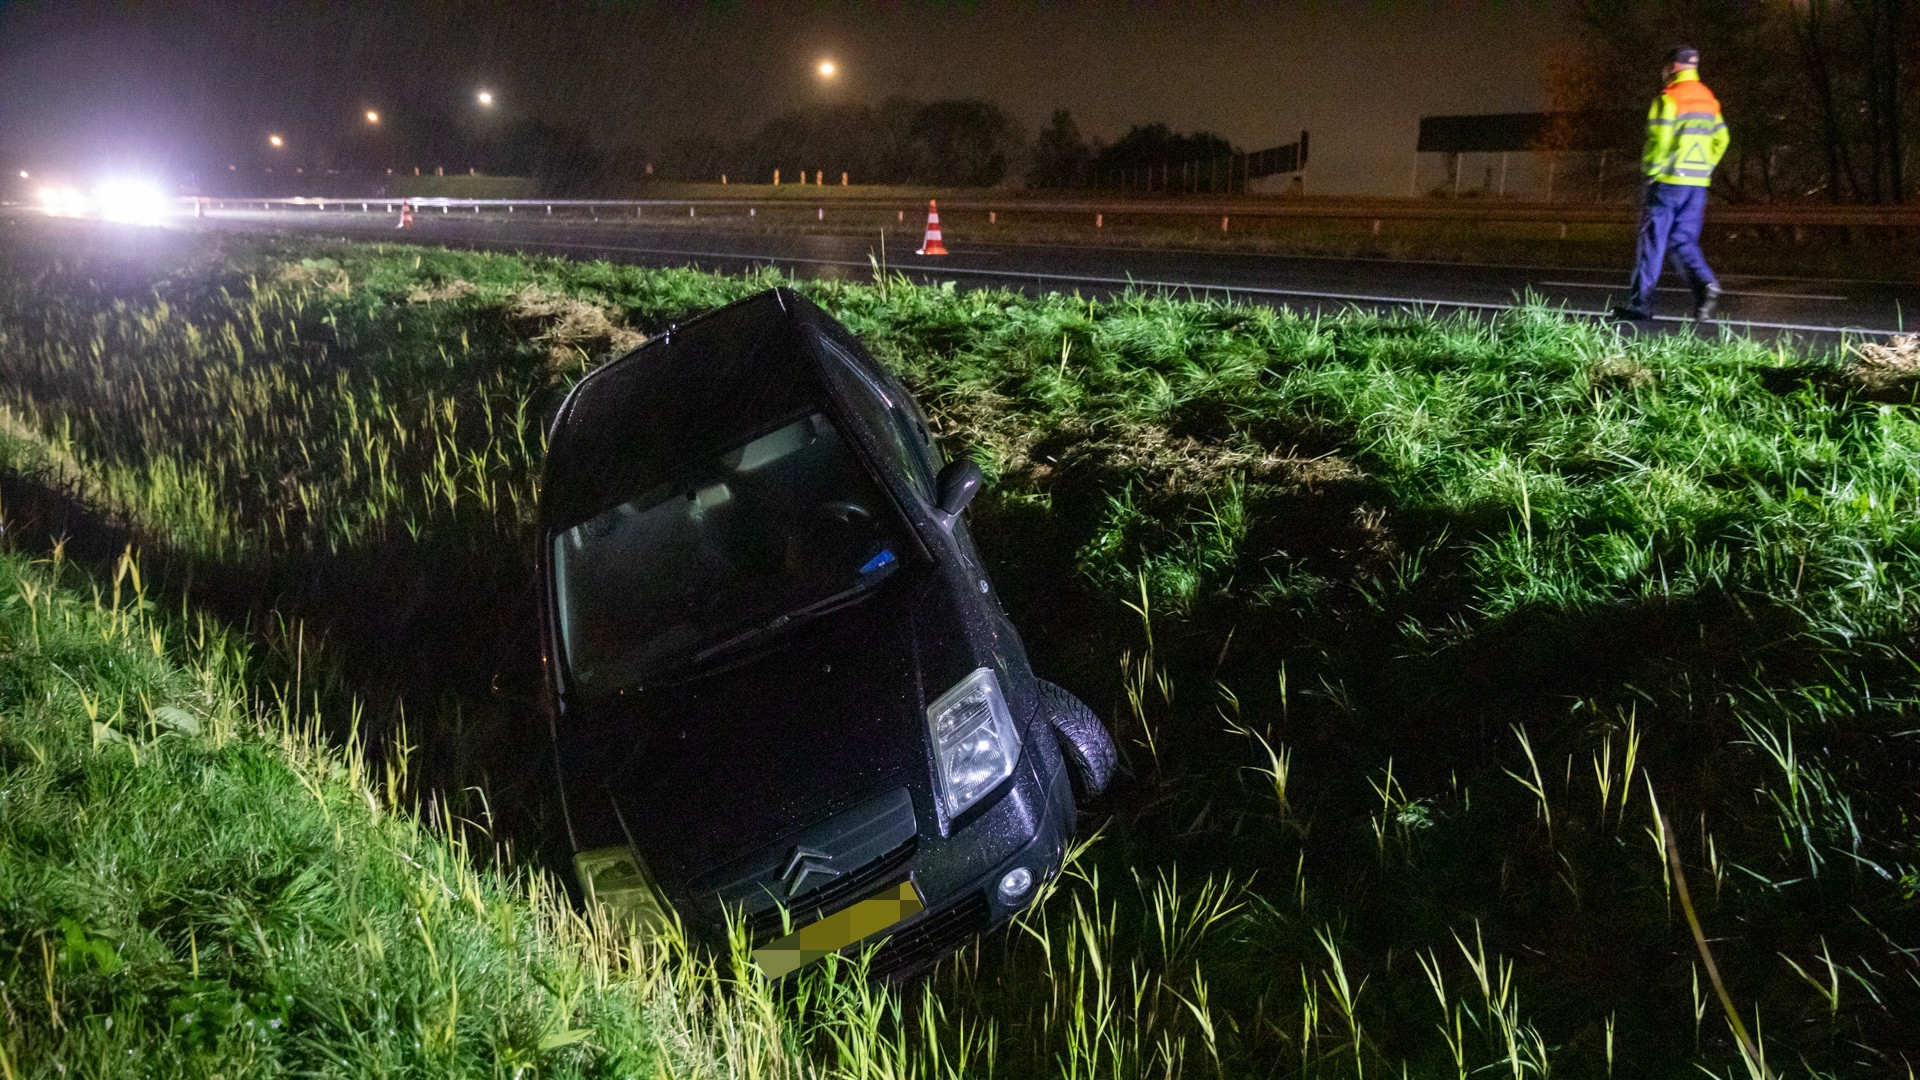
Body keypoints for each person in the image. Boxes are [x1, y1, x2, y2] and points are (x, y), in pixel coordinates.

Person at [1613, 46, 1730, 323]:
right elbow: (1722, 139)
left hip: (1666, 183)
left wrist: (1652, 171)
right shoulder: (1709, 99)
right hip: (1697, 185)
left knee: (1652, 243)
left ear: (1673, 68)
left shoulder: (1668, 98)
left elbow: (1661, 141)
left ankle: (1640, 305)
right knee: (1683, 240)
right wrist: (1705, 167)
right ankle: (1705, 285)